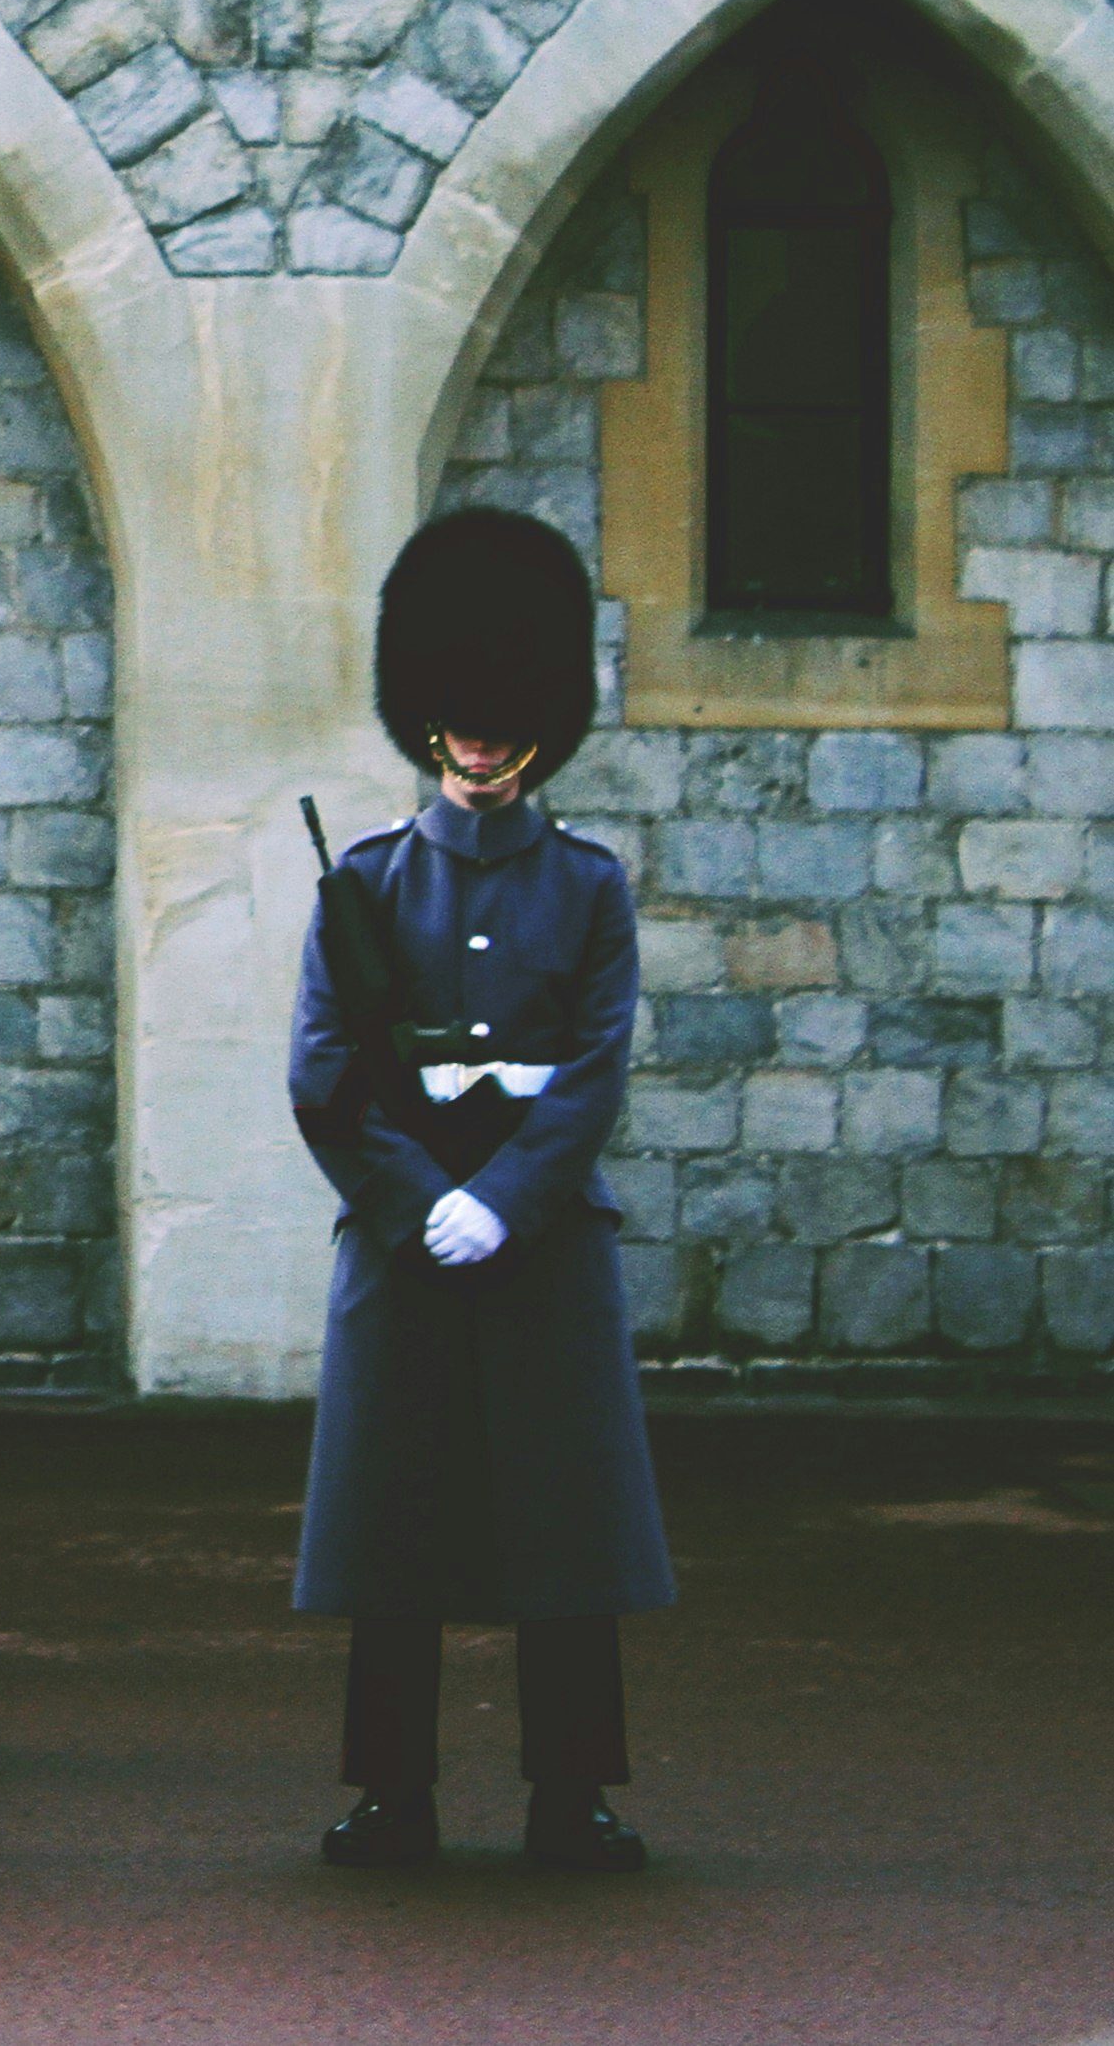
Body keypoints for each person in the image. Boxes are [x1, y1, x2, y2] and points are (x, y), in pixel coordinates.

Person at [293, 505, 668, 1875]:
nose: (482, 741)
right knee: (398, 1531)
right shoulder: (364, 884)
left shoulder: (587, 887)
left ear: (539, 727)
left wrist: (504, 1193)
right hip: (405, 1249)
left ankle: (572, 1792)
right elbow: (324, 1077)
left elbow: (591, 1067)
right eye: (460, 719)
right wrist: (412, 1199)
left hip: (544, 1243)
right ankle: (392, 1791)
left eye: (506, 721)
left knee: (561, 1534)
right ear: (427, 720)